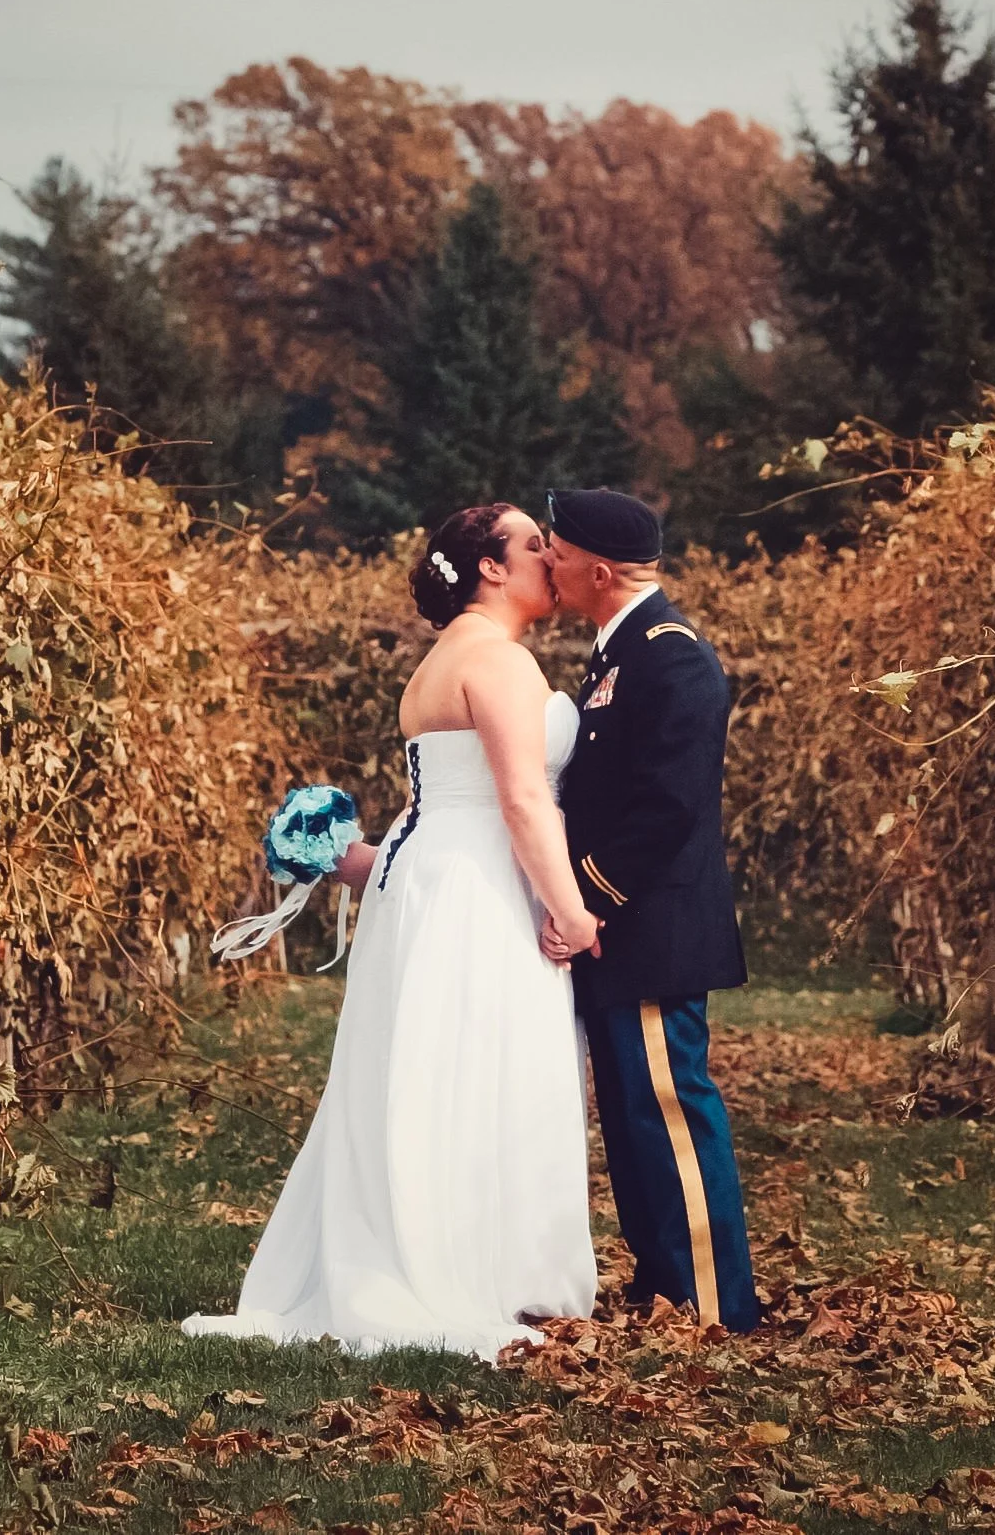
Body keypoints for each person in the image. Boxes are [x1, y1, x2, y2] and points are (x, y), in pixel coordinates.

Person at [182, 503, 600, 1359]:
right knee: (485, 1064)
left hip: (422, 880)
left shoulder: (436, 666)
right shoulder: (501, 662)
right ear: (488, 567)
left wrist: (347, 858)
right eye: (531, 545)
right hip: (479, 889)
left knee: (420, 1068)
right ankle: (479, 1268)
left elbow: (434, 809)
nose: (548, 558)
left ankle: (428, 1248)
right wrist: (570, 910)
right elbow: (520, 801)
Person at [538, 487, 762, 1332]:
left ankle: (711, 1300)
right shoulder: (618, 652)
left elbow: (668, 807)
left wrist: (584, 897)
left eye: (557, 551)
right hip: (623, 931)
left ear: (598, 568)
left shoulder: (670, 656)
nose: (548, 564)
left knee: (668, 1108)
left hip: (651, 928)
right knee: (634, 1114)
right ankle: (666, 1283)